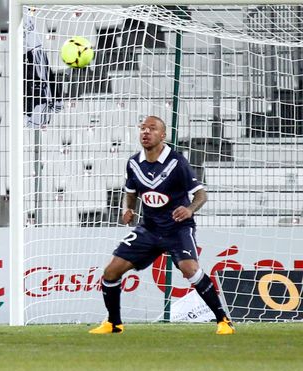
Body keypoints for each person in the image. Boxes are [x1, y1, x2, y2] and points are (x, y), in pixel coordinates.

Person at [89, 116, 235, 335]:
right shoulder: (134, 162)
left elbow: (201, 195)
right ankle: (114, 323)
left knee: (190, 270)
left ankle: (223, 321)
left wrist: (189, 210)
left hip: (177, 228)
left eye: (152, 128)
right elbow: (130, 193)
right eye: (143, 128)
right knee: (111, 272)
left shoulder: (176, 162)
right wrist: (127, 209)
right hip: (149, 229)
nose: (146, 132)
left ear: (163, 135)